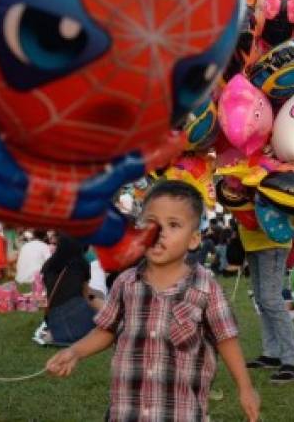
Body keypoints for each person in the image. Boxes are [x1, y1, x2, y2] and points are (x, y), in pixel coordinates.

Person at [45, 180, 260, 422]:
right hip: (127, 411)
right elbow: (107, 330)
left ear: (193, 239)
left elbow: (226, 339)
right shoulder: (125, 283)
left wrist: (245, 387)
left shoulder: (206, 288)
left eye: (173, 224)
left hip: (180, 412)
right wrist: (75, 351)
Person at [241, 192, 294, 383]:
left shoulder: (272, 168)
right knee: (261, 299)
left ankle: (292, 361)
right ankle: (272, 353)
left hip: (273, 239)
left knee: (271, 298)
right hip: (252, 239)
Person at [41, 233, 103, 346]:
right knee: (103, 317)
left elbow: (49, 294)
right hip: (76, 312)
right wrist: (104, 309)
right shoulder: (81, 263)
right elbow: (87, 295)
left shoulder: (48, 264)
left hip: (54, 317)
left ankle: (57, 334)